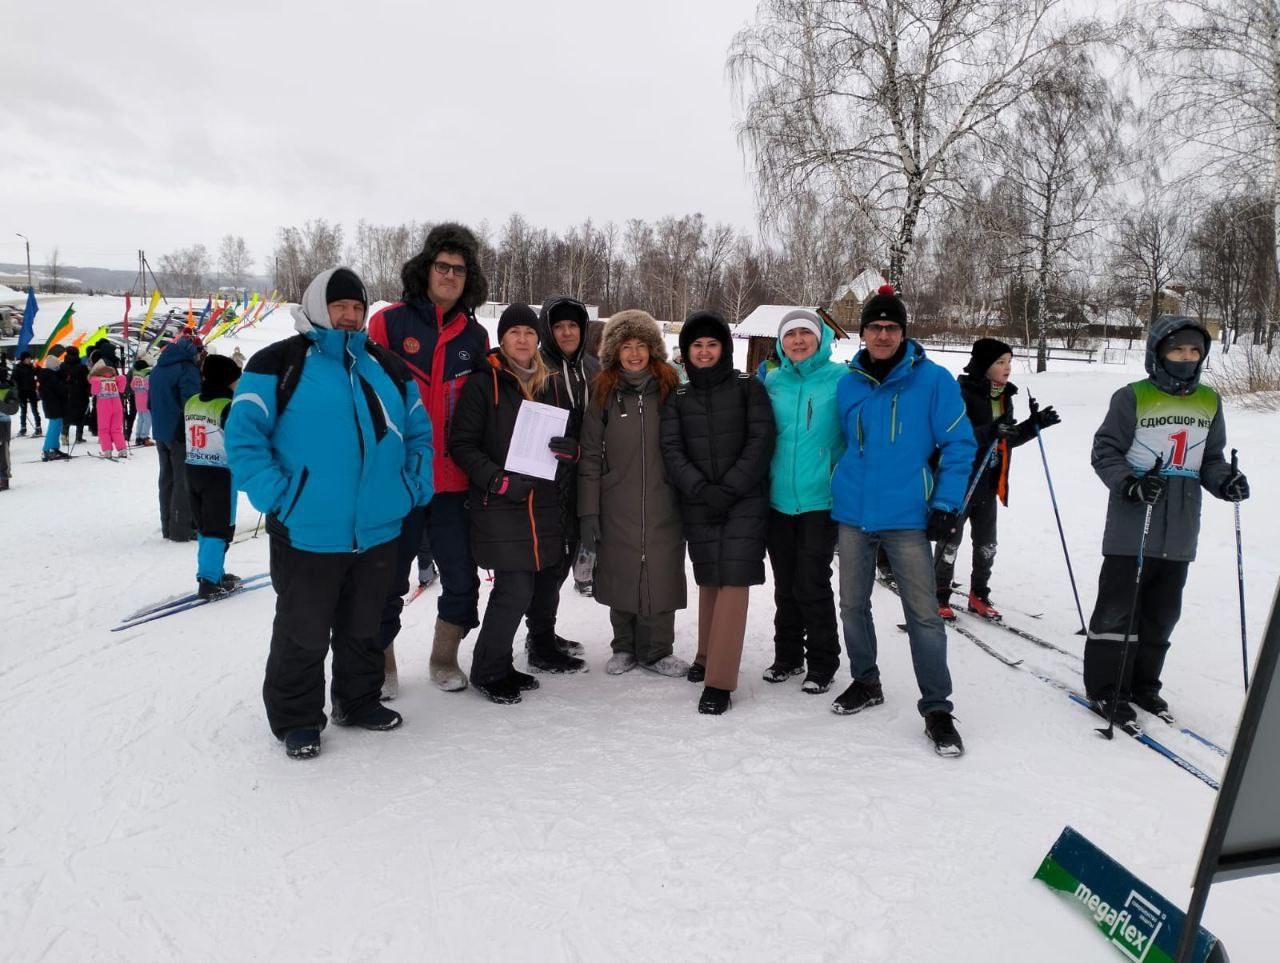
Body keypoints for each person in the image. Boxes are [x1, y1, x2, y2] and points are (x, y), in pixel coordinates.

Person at [227, 267, 432, 759]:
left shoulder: (387, 367)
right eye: (340, 306)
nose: (349, 316)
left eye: (357, 308)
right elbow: (244, 436)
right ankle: (297, 718)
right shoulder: (279, 362)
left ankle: (357, 701)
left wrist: (409, 488)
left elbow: (419, 435)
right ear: (319, 307)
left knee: (365, 626)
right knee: (304, 630)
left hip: (379, 528)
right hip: (308, 530)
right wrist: (282, 496)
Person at [829, 285, 975, 758]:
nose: (883, 334)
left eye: (892, 327)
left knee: (924, 617)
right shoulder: (848, 382)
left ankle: (937, 708)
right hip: (853, 512)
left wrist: (946, 503)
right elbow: (839, 443)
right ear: (864, 332)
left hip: (909, 516)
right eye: (875, 327)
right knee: (852, 605)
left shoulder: (933, 381)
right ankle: (866, 682)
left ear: (904, 332)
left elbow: (959, 445)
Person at [1083, 315, 1247, 724]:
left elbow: (1209, 459)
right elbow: (1105, 451)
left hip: (1181, 524)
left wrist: (1227, 480)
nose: (1186, 358)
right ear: (1158, 352)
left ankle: (1143, 685)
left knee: (1162, 613)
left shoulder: (1210, 401)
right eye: (1177, 349)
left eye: (1195, 351)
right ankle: (1107, 688)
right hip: (1134, 521)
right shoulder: (1132, 396)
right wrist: (1130, 484)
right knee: (1119, 611)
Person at [368, 223, 490, 694]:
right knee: (385, 583)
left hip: (454, 483)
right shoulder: (389, 323)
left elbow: (485, 407)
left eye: (460, 269)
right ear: (426, 268)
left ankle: (443, 659)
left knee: (461, 580)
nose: (450, 275)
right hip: (400, 481)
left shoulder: (475, 337)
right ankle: (382, 667)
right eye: (443, 265)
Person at [451, 304, 581, 703]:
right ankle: (488, 670)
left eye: (528, 333)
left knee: (533, 585)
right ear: (502, 339)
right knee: (514, 587)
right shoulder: (483, 383)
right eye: (514, 333)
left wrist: (570, 451)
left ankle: (502, 664)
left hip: (541, 500)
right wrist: (496, 479)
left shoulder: (550, 383)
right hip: (501, 500)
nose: (522, 340)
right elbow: (462, 444)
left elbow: (569, 436)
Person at [660, 311, 775, 714]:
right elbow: (671, 450)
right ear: (687, 352)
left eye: (712, 344)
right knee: (710, 576)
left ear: (724, 348)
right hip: (700, 500)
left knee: (733, 582)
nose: (705, 351)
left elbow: (761, 440)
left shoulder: (749, 388)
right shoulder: (678, 398)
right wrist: (701, 489)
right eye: (697, 345)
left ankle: (720, 681)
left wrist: (728, 488)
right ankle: (706, 655)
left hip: (743, 500)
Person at [578, 309, 689, 677]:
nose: (635, 353)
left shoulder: (670, 385)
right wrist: (589, 511)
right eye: (627, 346)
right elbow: (590, 453)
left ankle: (658, 650)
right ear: (615, 351)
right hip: (617, 499)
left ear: (653, 349)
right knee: (621, 570)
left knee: (661, 571)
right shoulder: (603, 389)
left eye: (642, 345)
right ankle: (624, 646)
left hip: (663, 498)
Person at [934, 338, 1060, 620]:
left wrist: (1034, 425)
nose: (1007, 368)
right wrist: (991, 430)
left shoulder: (1004, 397)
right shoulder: (961, 394)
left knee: (987, 544)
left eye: (1009, 362)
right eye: (1000, 362)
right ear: (983, 365)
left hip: (989, 482)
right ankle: (938, 594)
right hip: (960, 482)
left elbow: (1005, 441)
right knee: (950, 542)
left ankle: (980, 594)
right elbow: (953, 438)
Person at [759, 309, 846, 694]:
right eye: (790, 334)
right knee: (785, 585)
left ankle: (823, 663)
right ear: (781, 342)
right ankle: (788, 656)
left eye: (804, 334)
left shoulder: (841, 380)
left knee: (812, 583)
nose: (797, 340)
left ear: (820, 339)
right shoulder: (772, 382)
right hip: (777, 501)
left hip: (819, 500)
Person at [526, 295, 600, 662]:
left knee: (567, 556)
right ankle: (538, 641)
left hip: (583, 479)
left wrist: (585, 451)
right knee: (548, 562)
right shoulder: (537, 367)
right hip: (546, 482)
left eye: (573, 325)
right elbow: (524, 424)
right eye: (559, 326)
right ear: (548, 330)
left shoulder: (593, 367)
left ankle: (545, 633)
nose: (567, 331)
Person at [186, 354, 242, 599]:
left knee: (205, 524)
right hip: (219, 473)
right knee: (219, 527)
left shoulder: (192, 401)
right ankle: (209, 581)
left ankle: (213, 571)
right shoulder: (228, 405)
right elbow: (239, 439)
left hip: (193, 468)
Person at [149, 336, 203, 541]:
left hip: (161, 430)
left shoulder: (158, 368)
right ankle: (181, 529)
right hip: (179, 432)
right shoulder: (186, 369)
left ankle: (168, 525)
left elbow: (149, 402)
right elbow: (193, 402)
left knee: (167, 478)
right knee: (183, 480)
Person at [90, 352, 129, 459]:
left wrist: (94, 381)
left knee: (104, 429)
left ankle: (107, 450)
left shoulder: (97, 380)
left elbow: (94, 392)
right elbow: (121, 389)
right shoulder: (114, 379)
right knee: (116, 429)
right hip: (117, 405)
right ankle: (122, 449)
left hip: (104, 407)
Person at [37, 346, 70, 461]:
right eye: (57, 366)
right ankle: (47, 449)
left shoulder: (49, 375)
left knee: (57, 427)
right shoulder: (50, 376)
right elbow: (60, 390)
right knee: (54, 428)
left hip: (54, 405)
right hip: (53, 405)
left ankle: (54, 448)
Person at [61, 346, 90, 447]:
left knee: (66, 415)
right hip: (80, 393)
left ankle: (64, 434)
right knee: (80, 415)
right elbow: (87, 381)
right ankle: (79, 436)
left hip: (66, 394)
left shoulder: (62, 366)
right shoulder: (82, 366)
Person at [13, 352, 41, 437]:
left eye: (29, 358)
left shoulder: (32, 367)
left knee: (34, 410)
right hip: (22, 392)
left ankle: (38, 428)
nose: (29, 360)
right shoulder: (17, 368)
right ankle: (23, 428)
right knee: (23, 411)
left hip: (32, 391)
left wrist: (38, 368)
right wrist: (16, 389)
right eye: (27, 358)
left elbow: (40, 374)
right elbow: (14, 380)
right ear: (23, 359)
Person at [0, 362, 16, 491]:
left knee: (3, 450)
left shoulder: (9, 389)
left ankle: (3, 478)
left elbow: (12, 409)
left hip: (3, 422)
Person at [131, 359, 154, 445]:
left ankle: (138, 436)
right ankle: (144, 437)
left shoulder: (136, 375)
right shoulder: (147, 375)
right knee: (148, 419)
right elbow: (149, 388)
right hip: (146, 400)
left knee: (140, 419)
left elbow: (132, 386)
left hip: (138, 399)